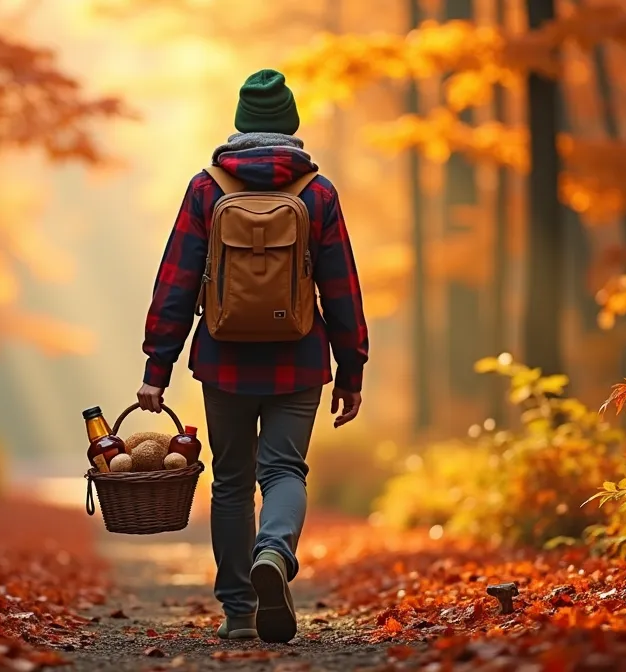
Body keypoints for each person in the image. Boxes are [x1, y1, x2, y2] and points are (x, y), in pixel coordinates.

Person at [137, 68, 369, 644]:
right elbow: (341, 287)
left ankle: (239, 611)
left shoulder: (207, 188)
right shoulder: (317, 192)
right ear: (290, 125)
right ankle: (274, 552)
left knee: (232, 483)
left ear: (241, 125)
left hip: (224, 359)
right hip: (299, 358)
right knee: (284, 470)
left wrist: (157, 368)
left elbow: (177, 281)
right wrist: (352, 368)